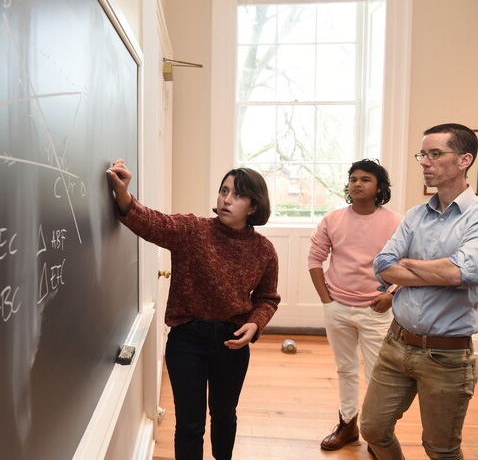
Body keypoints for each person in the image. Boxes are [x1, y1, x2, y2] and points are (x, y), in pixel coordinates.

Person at [107, 160, 280, 460]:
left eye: (237, 195)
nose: (226, 199)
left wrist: (255, 324)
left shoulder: (264, 250)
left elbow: (267, 298)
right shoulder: (193, 230)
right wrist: (124, 196)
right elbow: (150, 222)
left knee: (225, 416)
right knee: (189, 423)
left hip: (233, 343)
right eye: (223, 191)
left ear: (254, 206)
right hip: (187, 342)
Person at [361, 123, 478, 460]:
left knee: (440, 449)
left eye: (435, 154)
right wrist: (441, 271)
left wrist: (410, 265)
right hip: (396, 344)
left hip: (447, 356)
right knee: (372, 429)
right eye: (422, 154)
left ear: (464, 160)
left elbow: (461, 272)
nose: (425, 162)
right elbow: (383, 265)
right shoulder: (415, 215)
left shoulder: (477, 216)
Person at [308, 159, 402, 453]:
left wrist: (393, 294)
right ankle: (348, 425)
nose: (357, 184)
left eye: (365, 179)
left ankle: (378, 434)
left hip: (377, 310)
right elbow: (314, 260)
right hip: (338, 307)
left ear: (380, 188)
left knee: (378, 373)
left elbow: (410, 262)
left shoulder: (396, 222)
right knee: (345, 369)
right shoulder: (332, 219)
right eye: (353, 179)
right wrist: (327, 301)